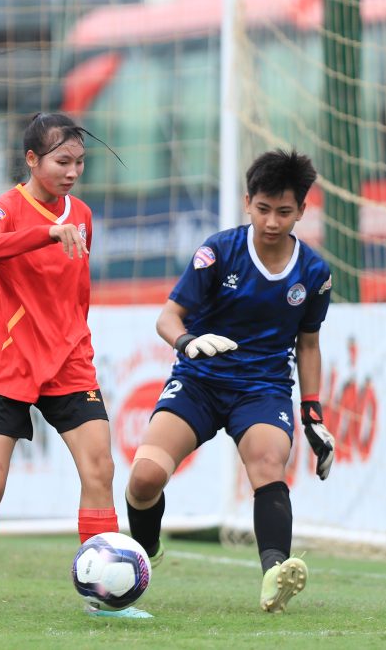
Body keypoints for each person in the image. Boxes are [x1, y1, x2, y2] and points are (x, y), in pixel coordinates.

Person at [0, 113, 144, 617]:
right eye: (62, 161)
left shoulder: (83, 214)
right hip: (11, 362)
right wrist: (46, 233)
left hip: (70, 361)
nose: (72, 171)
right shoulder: (5, 209)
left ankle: (104, 598)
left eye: (79, 163)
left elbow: (77, 290)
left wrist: (77, 340)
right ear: (31, 160)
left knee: (99, 468)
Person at [123, 149, 334, 613]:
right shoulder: (219, 250)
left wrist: (313, 412)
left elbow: (309, 345)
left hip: (263, 388)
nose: (272, 221)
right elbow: (169, 317)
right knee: (144, 479)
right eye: (263, 209)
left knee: (267, 463)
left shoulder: (314, 273)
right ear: (247, 202)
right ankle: (146, 551)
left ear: (302, 209)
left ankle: (275, 574)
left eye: (284, 212)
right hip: (199, 379)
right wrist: (187, 343)